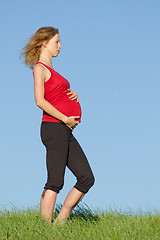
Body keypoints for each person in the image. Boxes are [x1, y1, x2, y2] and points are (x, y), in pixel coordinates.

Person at [21, 26, 95, 225]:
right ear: (45, 42)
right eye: (57, 42)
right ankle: (46, 228)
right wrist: (65, 117)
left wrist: (73, 95)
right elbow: (40, 100)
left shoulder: (53, 71)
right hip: (53, 128)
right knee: (55, 181)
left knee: (86, 177)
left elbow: (56, 95)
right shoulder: (40, 68)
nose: (60, 46)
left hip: (65, 129)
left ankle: (60, 221)